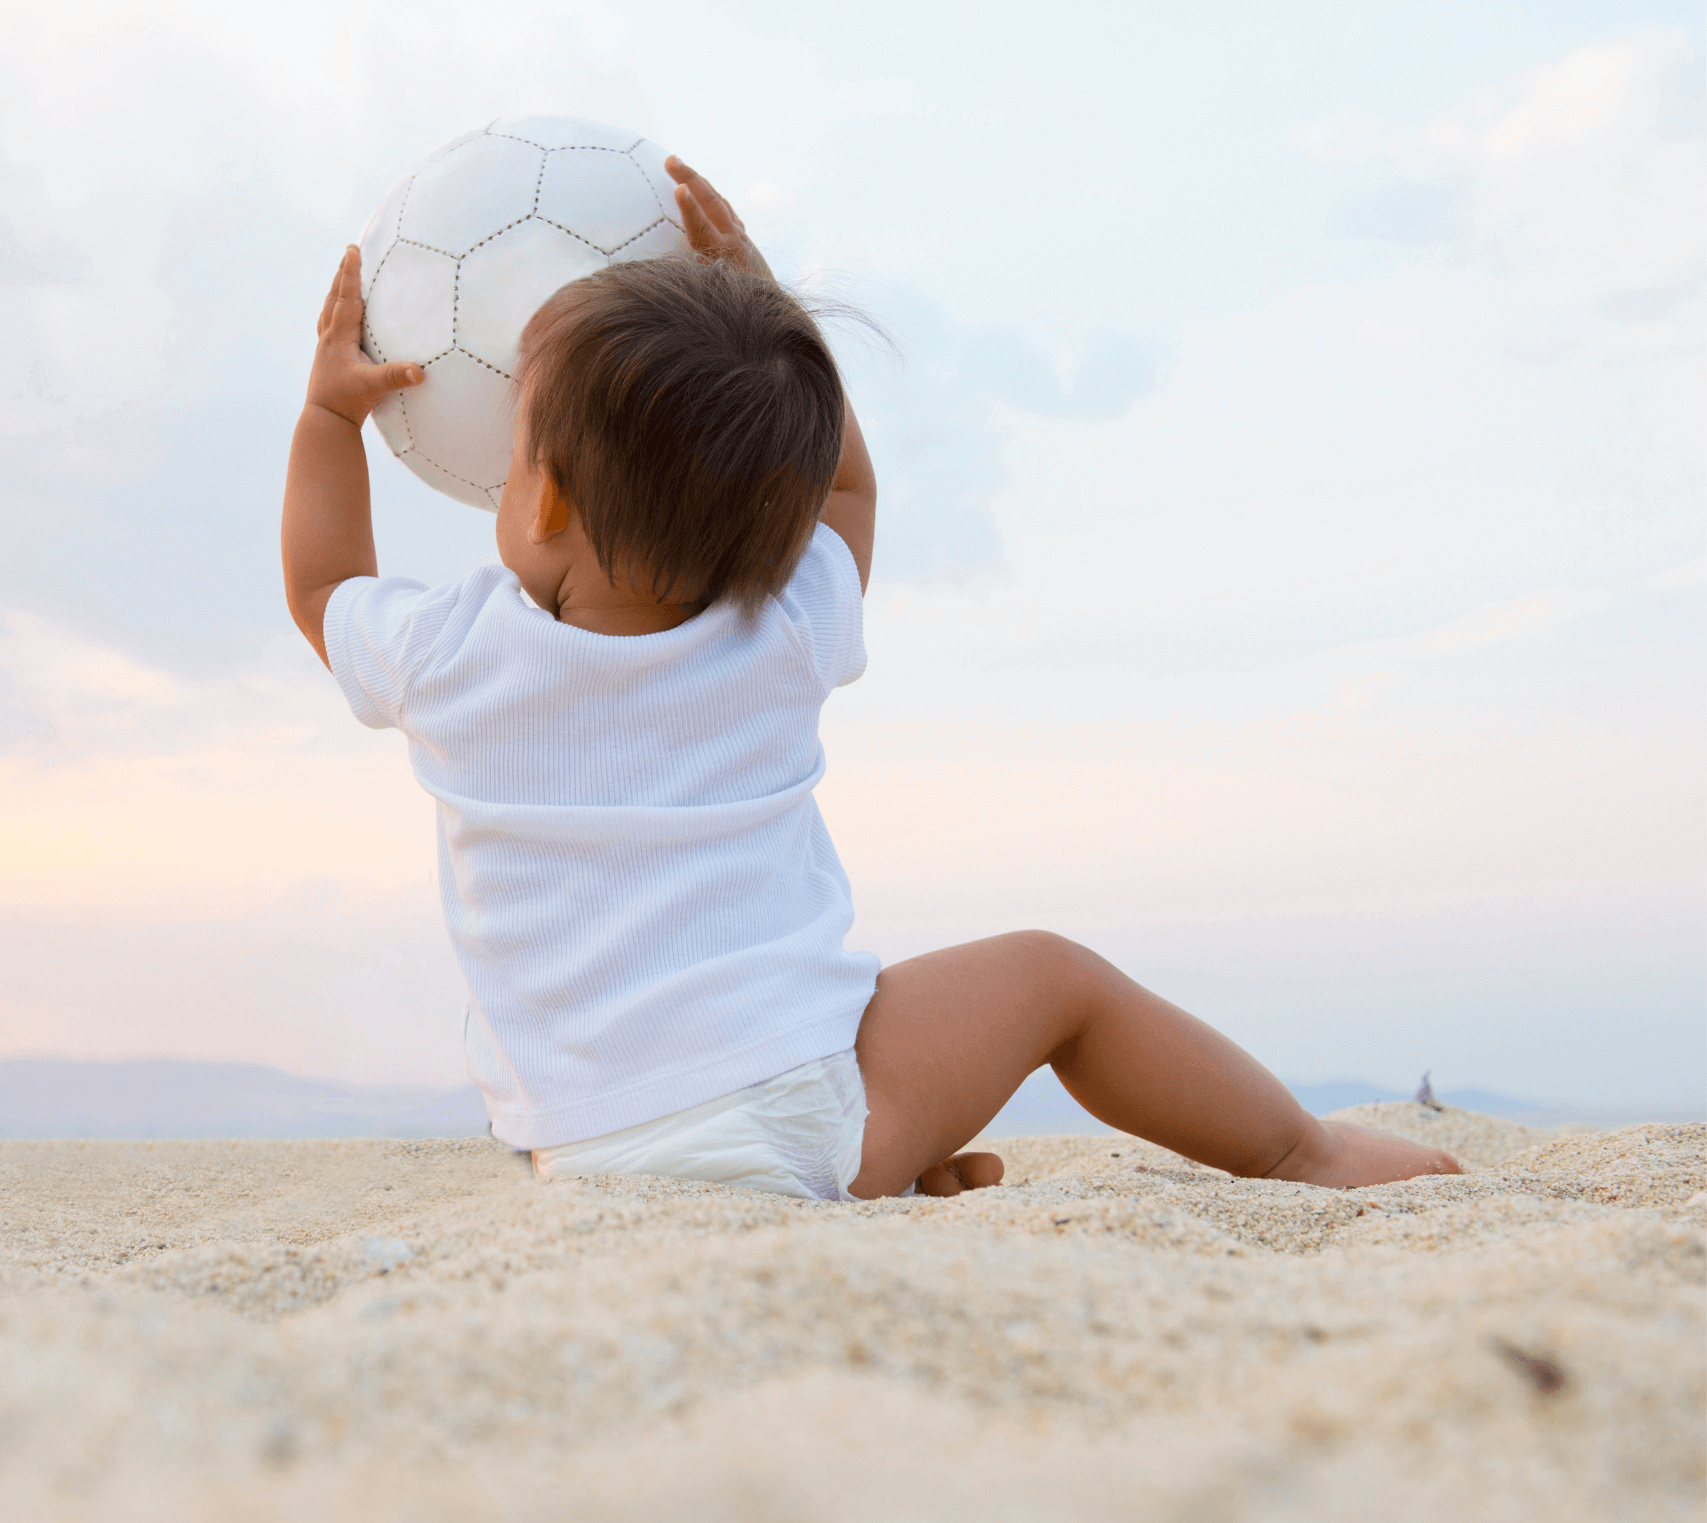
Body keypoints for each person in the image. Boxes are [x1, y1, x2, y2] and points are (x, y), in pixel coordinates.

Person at [282, 155, 1460, 1200]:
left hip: (579, 1147)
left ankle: (895, 1151)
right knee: (1054, 978)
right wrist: (766, 298)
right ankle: (1300, 1153)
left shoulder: (448, 659)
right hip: (810, 1120)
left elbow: (323, 586)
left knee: (826, 1037)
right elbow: (848, 491)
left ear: (533, 493)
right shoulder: (784, 624)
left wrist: (328, 417)